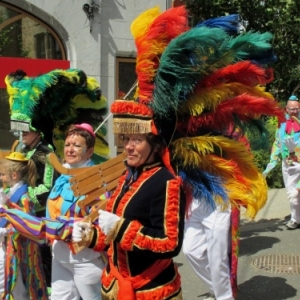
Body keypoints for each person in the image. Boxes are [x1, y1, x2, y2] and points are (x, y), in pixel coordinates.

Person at [72, 108, 186, 299]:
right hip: (116, 283)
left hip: (150, 288)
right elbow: (112, 232)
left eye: (138, 140)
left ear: (155, 146)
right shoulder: (128, 176)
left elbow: (170, 243)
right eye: (126, 139)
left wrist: (121, 228)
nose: (128, 147)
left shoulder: (166, 183)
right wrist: (90, 235)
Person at [46, 123, 106, 300]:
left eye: (77, 146)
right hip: (59, 254)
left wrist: (76, 227)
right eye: (67, 145)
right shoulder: (63, 175)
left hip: (85, 258)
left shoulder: (97, 178)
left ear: (89, 151)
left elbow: (100, 218)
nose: (70, 150)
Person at [0, 152, 48, 299]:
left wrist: (4, 231)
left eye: (2, 174)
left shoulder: (24, 197)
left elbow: (26, 226)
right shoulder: (8, 192)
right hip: (9, 246)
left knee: (19, 287)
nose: (0, 178)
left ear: (14, 175)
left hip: (19, 250)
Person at [183, 201, 233, 300]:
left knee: (217, 257)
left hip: (217, 202)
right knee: (190, 251)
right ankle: (216, 289)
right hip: (194, 201)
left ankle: (225, 297)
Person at [263, 95, 300, 229]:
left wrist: (295, 152)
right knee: (292, 193)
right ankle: (295, 218)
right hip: (287, 163)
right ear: (286, 109)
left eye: (297, 108)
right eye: (292, 109)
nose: (294, 111)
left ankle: (296, 218)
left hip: (299, 162)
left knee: (297, 192)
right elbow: (277, 144)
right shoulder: (282, 123)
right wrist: (269, 167)